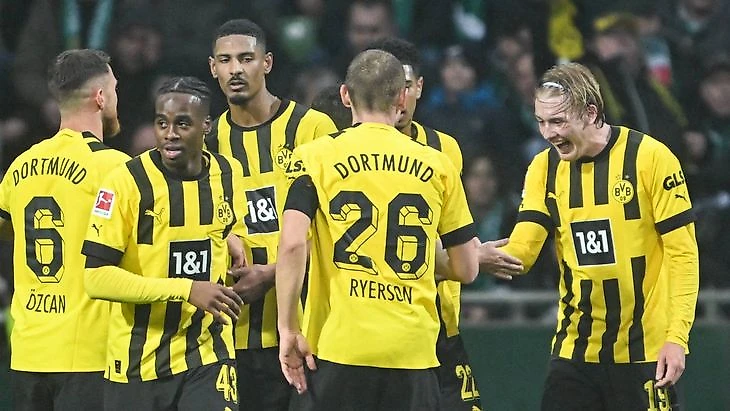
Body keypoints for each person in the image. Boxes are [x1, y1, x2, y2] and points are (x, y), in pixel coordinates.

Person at [276, 48, 479, 410]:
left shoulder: (313, 157)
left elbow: (292, 244)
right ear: (401, 97)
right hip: (414, 351)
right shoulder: (438, 164)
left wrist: (288, 329)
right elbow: (466, 269)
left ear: (345, 95)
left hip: (340, 346)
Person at [492, 62, 699, 410]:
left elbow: (683, 256)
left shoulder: (650, 158)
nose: (548, 133)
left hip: (644, 351)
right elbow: (523, 251)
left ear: (590, 113)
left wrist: (677, 338)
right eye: (541, 121)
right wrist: (468, 255)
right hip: (575, 351)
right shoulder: (544, 168)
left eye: (558, 121)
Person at [366, 36, 523, 411]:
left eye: (405, 85)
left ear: (420, 87)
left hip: (440, 322)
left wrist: (471, 253)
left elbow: (449, 229)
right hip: (376, 326)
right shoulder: (348, 150)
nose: (397, 97)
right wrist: (470, 258)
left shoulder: (445, 148)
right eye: (387, 85)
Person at [81, 76, 245, 410]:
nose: (170, 134)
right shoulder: (126, 182)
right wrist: (186, 289)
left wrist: (230, 237)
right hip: (137, 362)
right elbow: (95, 278)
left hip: (207, 354)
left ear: (206, 126)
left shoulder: (229, 174)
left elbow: (219, 226)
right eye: (162, 123)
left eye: (182, 124)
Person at [206, 18, 337, 411]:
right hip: (233, 337)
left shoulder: (313, 129)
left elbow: (338, 232)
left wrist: (272, 274)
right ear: (213, 68)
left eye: (246, 58)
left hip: (308, 335)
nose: (236, 69)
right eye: (225, 60)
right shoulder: (208, 144)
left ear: (267, 63)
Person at [0, 49, 130, 410]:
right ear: (101, 97)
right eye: (114, 90)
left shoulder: (21, 165)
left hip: (27, 352)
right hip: (89, 356)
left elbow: (6, 227)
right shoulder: (114, 168)